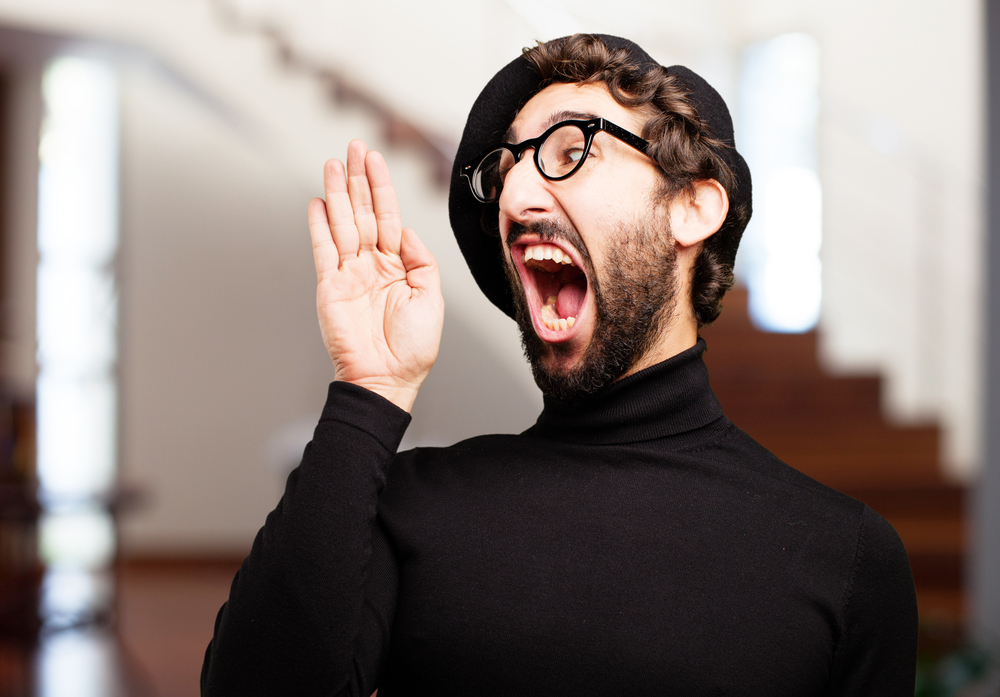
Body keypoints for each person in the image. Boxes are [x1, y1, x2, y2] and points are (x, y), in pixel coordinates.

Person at [201, 33, 918, 696]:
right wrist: (370, 389)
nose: (514, 197)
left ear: (692, 207)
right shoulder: (411, 506)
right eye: (505, 170)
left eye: (571, 149)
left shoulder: (844, 557)